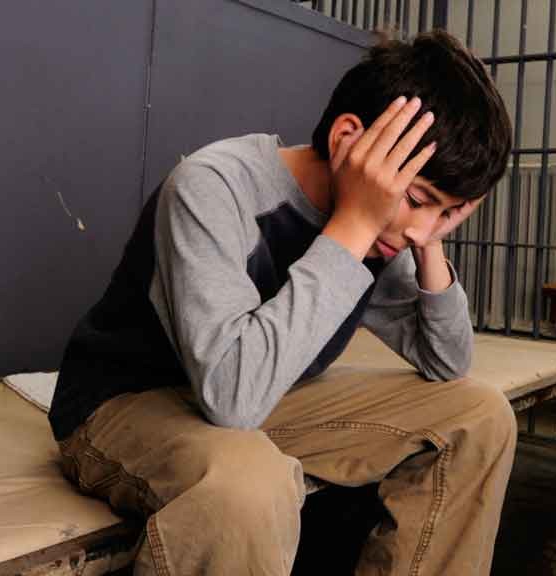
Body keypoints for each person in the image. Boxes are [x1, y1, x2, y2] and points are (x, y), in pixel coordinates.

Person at [48, 29, 515, 575]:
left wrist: (431, 242)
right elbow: (231, 396)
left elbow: (447, 362)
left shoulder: (389, 230)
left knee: (480, 415)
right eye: (416, 199)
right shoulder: (213, 186)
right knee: (248, 484)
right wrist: (354, 227)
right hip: (126, 405)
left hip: (258, 403)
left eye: (446, 212)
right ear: (347, 141)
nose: (418, 228)